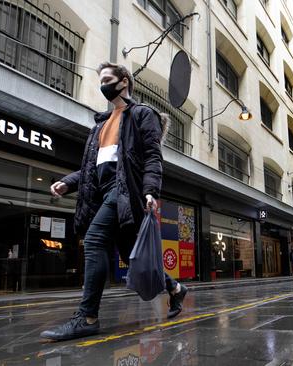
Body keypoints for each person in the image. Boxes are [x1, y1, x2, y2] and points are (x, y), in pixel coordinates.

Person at [40, 62, 187, 341]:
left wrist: (150, 191)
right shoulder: (101, 124)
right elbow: (91, 166)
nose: (102, 85)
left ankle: (87, 317)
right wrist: (68, 182)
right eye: (101, 80)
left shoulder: (143, 115)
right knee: (133, 258)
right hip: (103, 190)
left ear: (124, 81)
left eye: (107, 79)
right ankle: (176, 289)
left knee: (95, 240)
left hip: (125, 192)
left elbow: (153, 158)